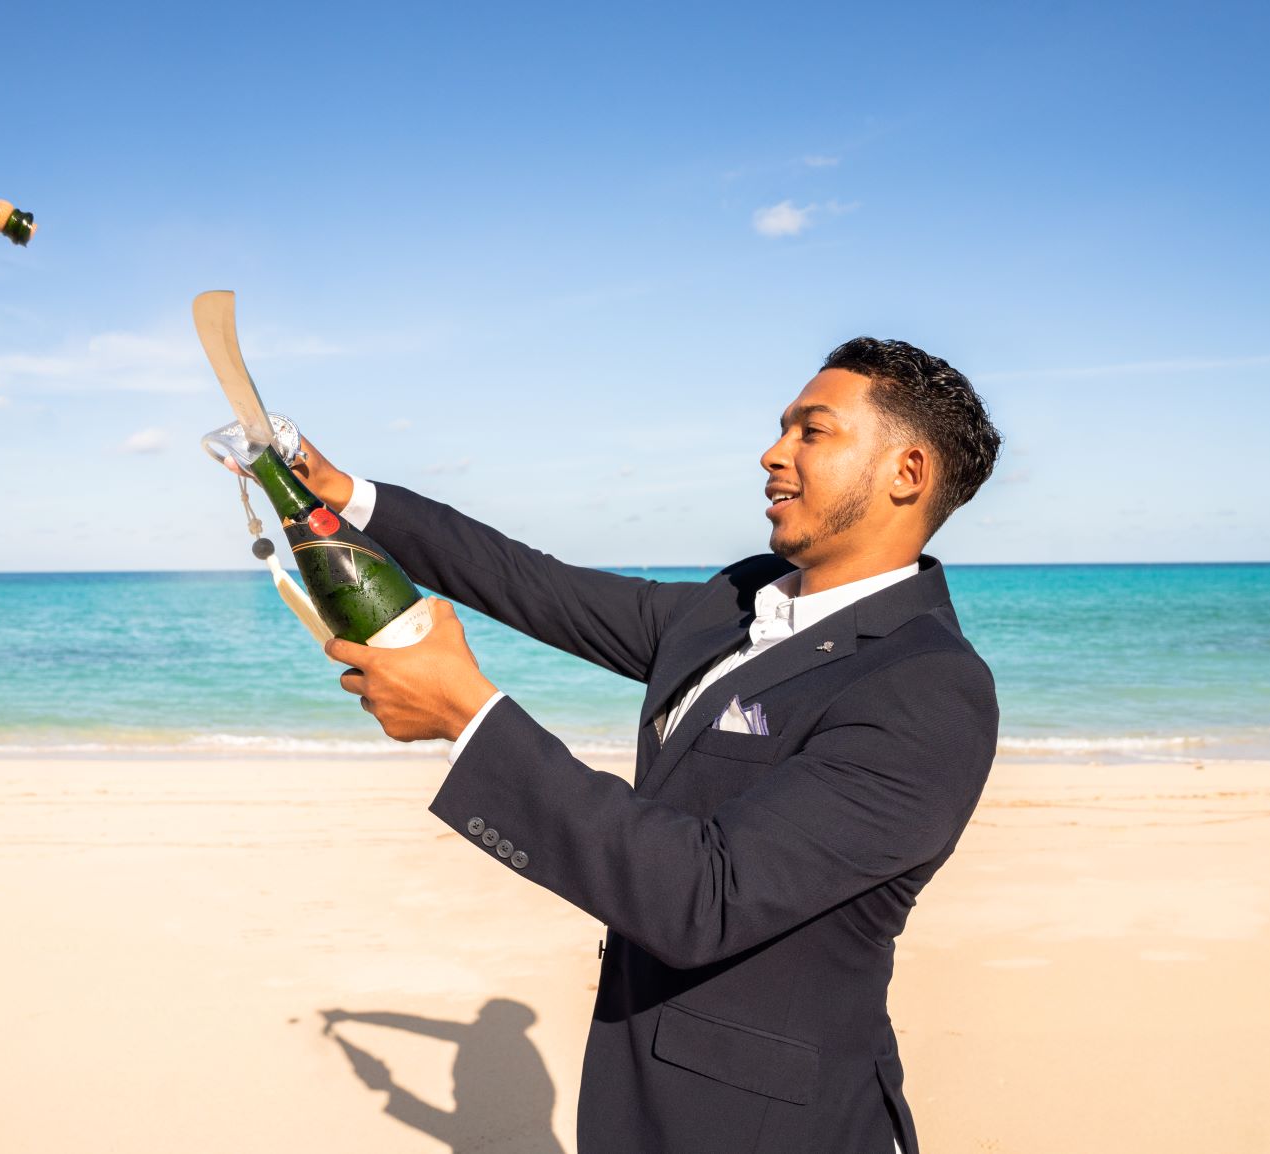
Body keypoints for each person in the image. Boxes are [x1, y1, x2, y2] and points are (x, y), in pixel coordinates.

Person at [296, 337, 1002, 1154]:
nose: (773, 454)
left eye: (813, 432)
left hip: (769, 1125)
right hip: (634, 1092)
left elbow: (709, 896)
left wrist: (468, 715)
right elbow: (536, 585)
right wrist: (344, 494)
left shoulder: (927, 687)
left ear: (905, 473)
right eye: (783, 428)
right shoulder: (735, 603)